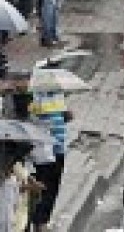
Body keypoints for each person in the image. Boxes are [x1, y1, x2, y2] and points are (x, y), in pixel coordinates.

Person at [30, 86, 71, 232]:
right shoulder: (36, 96)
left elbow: (62, 117)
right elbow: (34, 119)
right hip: (44, 151)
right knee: (44, 187)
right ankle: (39, 222)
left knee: (54, 187)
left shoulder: (59, 95)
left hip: (59, 149)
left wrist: (66, 116)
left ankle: (43, 220)